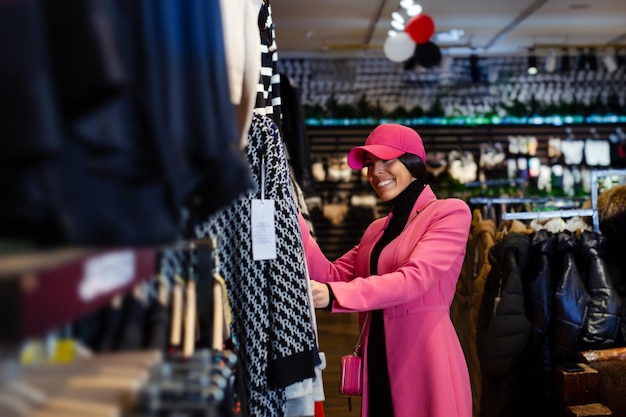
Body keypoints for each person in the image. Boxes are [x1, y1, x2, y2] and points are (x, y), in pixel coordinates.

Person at [298, 123, 472, 417]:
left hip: (424, 360)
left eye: (386, 160)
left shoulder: (449, 212)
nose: (375, 172)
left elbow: (413, 281)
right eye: (369, 164)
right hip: (376, 358)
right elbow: (328, 276)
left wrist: (331, 294)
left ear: (413, 162)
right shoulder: (377, 230)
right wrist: (291, 214)